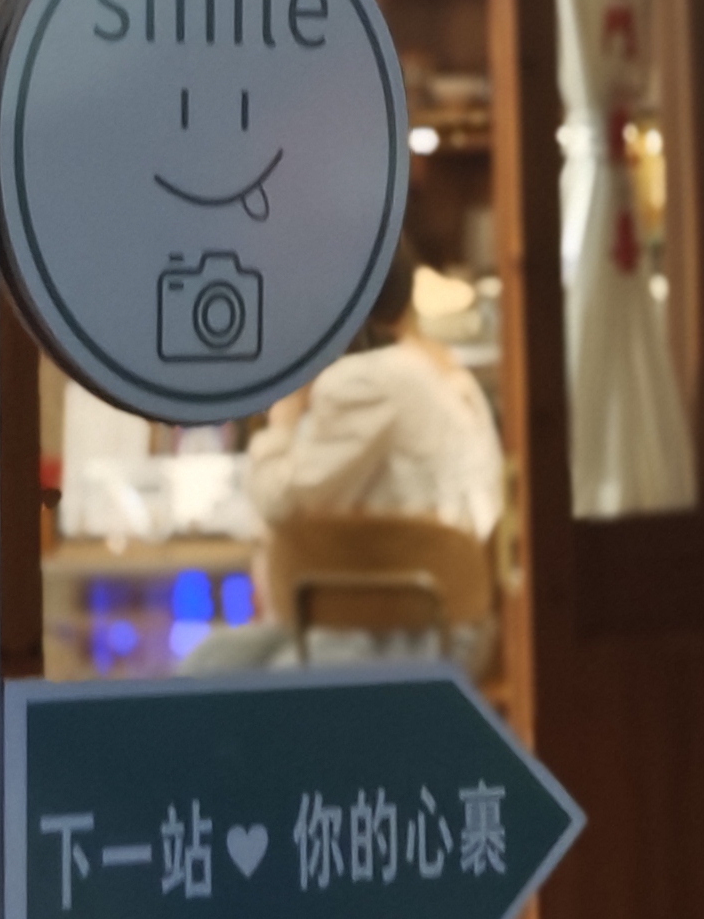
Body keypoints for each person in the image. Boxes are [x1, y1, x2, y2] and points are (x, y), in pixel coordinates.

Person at [183, 259, 503, 672]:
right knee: (209, 662)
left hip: (408, 626)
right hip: (438, 618)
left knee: (224, 683)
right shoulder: (441, 366)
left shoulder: (365, 380)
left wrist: (284, 415)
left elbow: (276, 500)